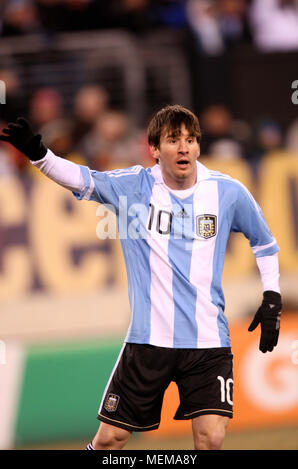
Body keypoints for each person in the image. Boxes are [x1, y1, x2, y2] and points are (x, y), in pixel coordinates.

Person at [0, 105, 282, 450]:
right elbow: (80, 177)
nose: (184, 148)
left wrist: (272, 299)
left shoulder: (227, 191)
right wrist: (39, 155)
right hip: (150, 342)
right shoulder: (133, 186)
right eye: (173, 140)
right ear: (153, 149)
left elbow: (265, 243)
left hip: (209, 341)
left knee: (212, 438)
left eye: (191, 140)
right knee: (110, 440)